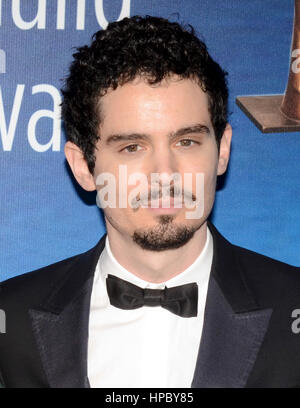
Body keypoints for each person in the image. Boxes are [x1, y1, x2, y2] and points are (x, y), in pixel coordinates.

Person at [0, 15, 299, 388]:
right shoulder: (9, 324)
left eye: (186, 142)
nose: (164, 173)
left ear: (221, 151)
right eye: (132, 147)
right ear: (84, 167)